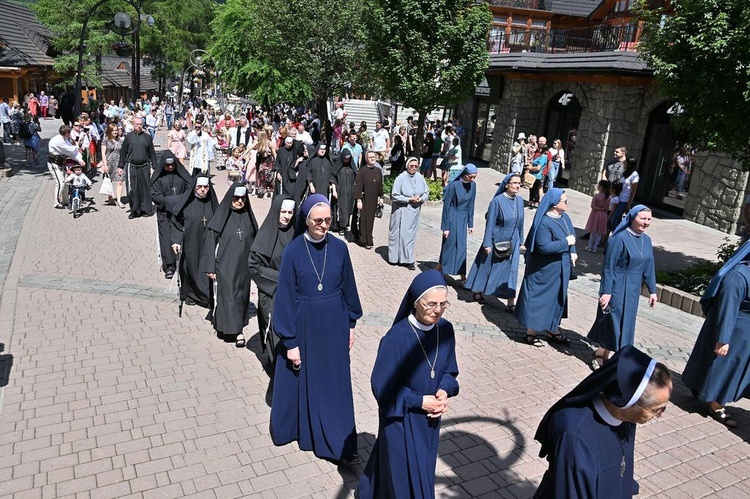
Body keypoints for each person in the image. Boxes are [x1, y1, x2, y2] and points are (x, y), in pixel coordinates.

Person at [270, 194, 363, 464]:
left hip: (335, 325)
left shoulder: (340, 248)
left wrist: (351, 323)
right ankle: (309, 432)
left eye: (328, 220)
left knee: (335, 385)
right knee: (308, 380)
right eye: (318, 220)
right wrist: (290, 342)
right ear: (306, 220)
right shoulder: (294, 250)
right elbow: (285, 297)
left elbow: (349, 287)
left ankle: (340, 443)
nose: (324, 225)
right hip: (305, 327)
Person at [358, 270, 459, 499]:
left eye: (443, 304)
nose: (438, 310)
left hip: (430, 420)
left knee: (421, 468)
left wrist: (443, 390)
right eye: (431, 304)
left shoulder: (445, 330)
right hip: (400, 421)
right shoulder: (395, 339)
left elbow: (450, 371)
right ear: (415, 303)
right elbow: (382, 388)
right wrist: (420, 401)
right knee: (403, 479)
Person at [534, 345, 672, 499]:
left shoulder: (626, 417)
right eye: (657, 409)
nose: (661, 415)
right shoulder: (575, 436)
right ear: (630, 403)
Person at [681, 241, 750, 428]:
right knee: (722, 367)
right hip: (732, 330)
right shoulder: (738, 276)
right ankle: (715, 404)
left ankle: (704, 392)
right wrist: (723, 339)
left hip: (744, 334)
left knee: (727, 368)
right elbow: (728, 310)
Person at [588, 205, 657, 369]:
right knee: (612, 320)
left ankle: (611, 355)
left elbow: (649, 266)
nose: (646, 222)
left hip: (633, 289)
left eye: (649, 219)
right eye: (643, 218)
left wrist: (652, 290)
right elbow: (608, 267)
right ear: (633, 218)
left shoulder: (646, 240)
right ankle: (600, 354)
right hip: (617, 286)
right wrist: (606, 291)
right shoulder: (619, 239)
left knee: (627, 323)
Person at [514, 188, 577, 347]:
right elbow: (544, 247)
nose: (567, 204)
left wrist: (573, 252)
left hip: (560, 268)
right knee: (538, 300)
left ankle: (553, 329)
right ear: (555, 204)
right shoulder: (544, 223)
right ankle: (531, 332)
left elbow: (572, 237)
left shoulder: (565, 218)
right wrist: (566, 244)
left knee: (556, 300)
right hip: (544, 270)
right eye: (564, 201)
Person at [200, 184, 259, 348]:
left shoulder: (248, 215)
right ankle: (237, 331)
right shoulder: (221, 216)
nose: (239, 201)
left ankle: (231, 324)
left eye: (242, 198)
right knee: (229, 296)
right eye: (236, 198)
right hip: (225, 265)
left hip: (244, 267)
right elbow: (210, 242)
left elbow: (256, 240)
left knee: (241, 296)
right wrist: (210, 266)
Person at [465, 173, 525, 310]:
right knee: (487, 266)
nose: (517, 186)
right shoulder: (497, 201)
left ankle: (510, 303)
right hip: (497, 238)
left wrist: (521, 241)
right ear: (506, 185)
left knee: (512, 271)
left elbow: (521, 223)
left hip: (514, 240)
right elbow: (490, 224)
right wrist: (487, 243)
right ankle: (478, 290)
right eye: (514, 183)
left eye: (519, 183)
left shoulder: (520, 201)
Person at [248, 196, 296, 360]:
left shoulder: (295, 233)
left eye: (290, 212)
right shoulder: (265, 234)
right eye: (283, 212)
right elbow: (254, 267)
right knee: (274, 332)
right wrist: (280, 277)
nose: (287, 216)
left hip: (293, 292)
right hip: (272, 291)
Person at [167, 174, 218, 311]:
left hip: (209, 243)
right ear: (194, 188)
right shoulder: (186, 203)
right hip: (191, 242)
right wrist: (176, 241)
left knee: (207, 268)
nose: (203, 190)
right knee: (190, 266)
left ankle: (207, 295)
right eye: (199, 187)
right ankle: (191, 294)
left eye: (206, 187)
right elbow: (177, 223)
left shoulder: (212, 203)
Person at [150, 152, 192, 279]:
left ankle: (184, 263)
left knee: (182, 237)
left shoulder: (182, 177)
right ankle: (169, 265)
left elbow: (189, 190)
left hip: (180, 213)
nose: (169, 167)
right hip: (165, 213)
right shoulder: (158, 179)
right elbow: (155, 195)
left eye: (172, 165)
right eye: (167, 165)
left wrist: (177, 203)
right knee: (166, 238)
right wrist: (170, 203)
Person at [388, 157, 430, 270]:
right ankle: (395, 258)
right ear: (407, 166)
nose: (414, 168)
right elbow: (394, 195)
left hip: (414, 212)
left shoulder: (420, 178)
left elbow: (426, 192)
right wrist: (408, 200)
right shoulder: (400, 178)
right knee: (398, 235)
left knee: (409, 236)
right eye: (411, 166)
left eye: (416, 166)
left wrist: (421, 199)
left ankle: (407, 259)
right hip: (401, 211)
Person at [438, 164, 477, 281]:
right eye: (471, 176)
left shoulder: (473, 185)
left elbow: (471, 205)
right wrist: (445, 227)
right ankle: (442, 271)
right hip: (452, 217)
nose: (472, 179)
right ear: (465, 175)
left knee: (462, 247)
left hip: (463, 219)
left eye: (474, 177)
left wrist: (470, 224)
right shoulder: (454, 186)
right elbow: (446, 208)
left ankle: (462, 275)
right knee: (449, 245)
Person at [119, 117, 157, 219]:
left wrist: (155, 166)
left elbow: (152, 153)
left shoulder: (147, 137)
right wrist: (120, 166)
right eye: (137, 124)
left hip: (144, 166)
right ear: (133, 124)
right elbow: (123, 152)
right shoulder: (129, 137)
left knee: (145, 188)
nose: (139, 126)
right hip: (132, 166)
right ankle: (135, 210)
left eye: (140, 124)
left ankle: (145, 209)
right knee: (133, 189)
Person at [47, 125, 84, 208]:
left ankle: (65, 201)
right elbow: (69, 150)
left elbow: (73, 152)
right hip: (54, 163)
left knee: (66, 182)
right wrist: (77, 147)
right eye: (69, 133)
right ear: (67, 133)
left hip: (62, 163)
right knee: (60, 183)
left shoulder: (66, 139)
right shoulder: (57, 141)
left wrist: (80, 160)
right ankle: (56, 202)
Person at [354, 151, 384, 249]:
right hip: (365, 198)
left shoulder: (378, 171)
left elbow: (380, 185)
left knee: (370, 220)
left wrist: (381, 197)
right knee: (364, 219)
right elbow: (358, 187)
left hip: (374, 198)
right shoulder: (362, 171)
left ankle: (369, 239)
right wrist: (359, 200)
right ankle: (364, 240)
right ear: (366, 159)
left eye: (373, 157)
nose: (372, 158)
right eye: (370, 157)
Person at [331, 149, 357, 235]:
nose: (347, 160)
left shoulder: (351, 167)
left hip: (350, 192)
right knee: (342, 209)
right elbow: (333, 179)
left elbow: (356, 178)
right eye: (345, 158)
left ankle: (346, 225)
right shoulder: (338, 167)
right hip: (341, 191)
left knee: (349, 209)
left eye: (348, 158)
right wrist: (334, 190)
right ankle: (341, 227)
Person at [101, 124, 125, 207]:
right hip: (109, 162)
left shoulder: (121, 140)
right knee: (109, 181)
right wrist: (105, 165)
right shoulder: (106, 140)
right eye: (113, 130)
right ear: (109, 131)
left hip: (119, 162)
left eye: (116, 130)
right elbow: (103, 154)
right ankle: (110, 197)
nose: (115, 132)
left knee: (120, 181)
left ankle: (119, 200)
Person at [584, 180, 610, 253]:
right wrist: (603, 209)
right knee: (599, 232)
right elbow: (607, 208)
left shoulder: (596, 196)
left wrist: (599, 208)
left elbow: (593, 206)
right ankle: (595, 247)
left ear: (601, 187)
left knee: (593, 231)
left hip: (595, 214)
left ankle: (589, 246)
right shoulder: (608, 197)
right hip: (603, 215)